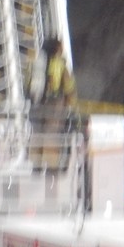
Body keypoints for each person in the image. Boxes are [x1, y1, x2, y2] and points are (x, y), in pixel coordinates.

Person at [31, 37, 76, 168]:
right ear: (57, 49)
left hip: (39, 103)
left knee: (37, 133)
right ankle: (50, 164)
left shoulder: (38, 61)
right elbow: (68, 86)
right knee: (52, 135)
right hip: (55, 103)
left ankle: (35, 162)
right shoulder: (60, 64)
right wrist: (70, 105)